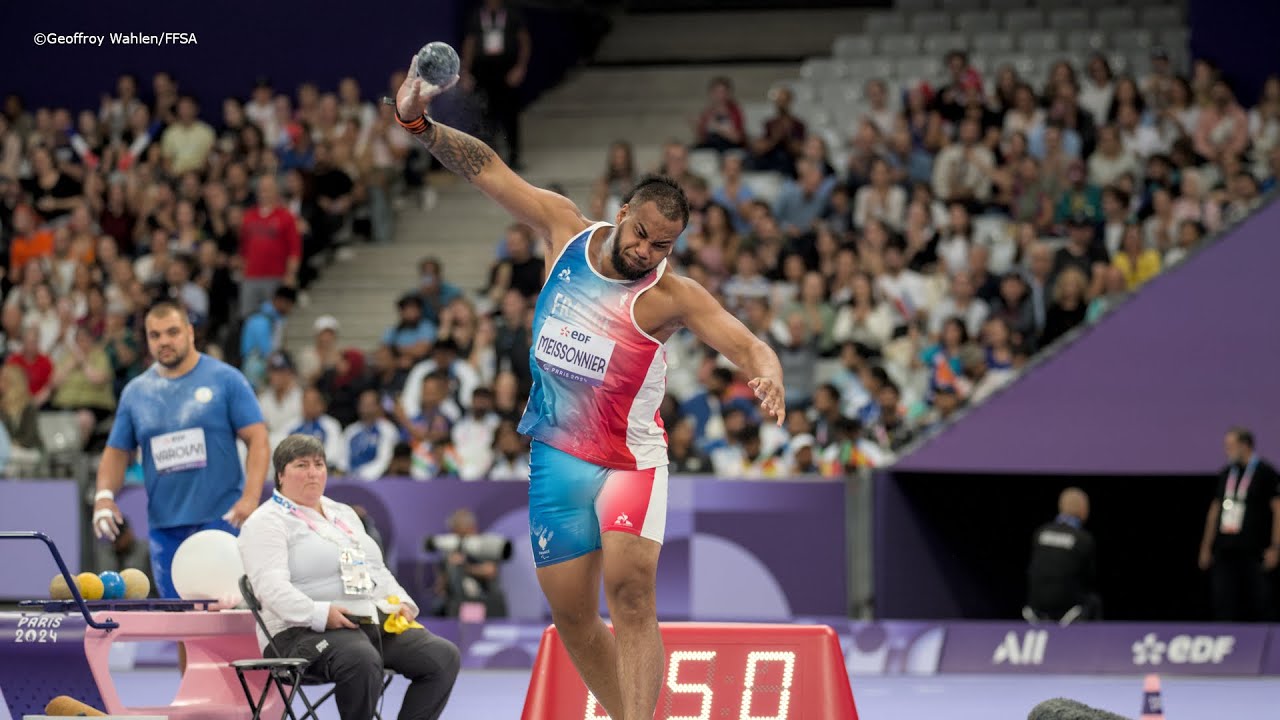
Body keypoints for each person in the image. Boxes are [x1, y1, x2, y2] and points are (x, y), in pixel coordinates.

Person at [393, 60, 787, 720]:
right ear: (622, 211)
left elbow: (747, 344)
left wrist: (767, 373)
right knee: (573, 618)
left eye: (664, 245)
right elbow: (488, 168)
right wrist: (417, 123)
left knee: (631, 595)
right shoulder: (564, 231)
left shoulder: (670, 294)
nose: (647, 253)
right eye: (642, 236)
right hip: (557, 457)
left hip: (631, 460)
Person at [238, 434, 460, 720]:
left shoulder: (341, 513)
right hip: (296, 632)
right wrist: (320, 614)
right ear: (281, 475)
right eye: (301, 465)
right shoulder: (266, 522)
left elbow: (375, 570)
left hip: (363, 622)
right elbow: (270, 588)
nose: (313, 473)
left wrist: (401, 602)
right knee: (360, 657)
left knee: (442, 657)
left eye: (319, 464)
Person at [92, 302, 270, 599]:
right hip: (165, 529)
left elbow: (258, 439)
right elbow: (116, 452)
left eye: (172, 332)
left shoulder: (226, 379)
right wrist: (103, 497)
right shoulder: (136, 392)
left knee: (226, 617)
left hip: (222, 521)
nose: (164, 341)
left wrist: (251, 498)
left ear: (189, 333)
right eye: (155, 335)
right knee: (181, 624)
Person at [1199, 427, 1280, 622]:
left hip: (1254, 550)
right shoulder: (1227, 473)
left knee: (1260, 601)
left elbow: (1278, 510)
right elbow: (1215, 510)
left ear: (1245, 445)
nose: (1227, 450)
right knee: (1223, 602)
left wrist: (1276, 546)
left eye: (1230, 445)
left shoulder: (1265, 472)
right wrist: (1206, 546)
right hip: (1225, 549)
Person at [460, 0, 531, 170]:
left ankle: (514, 157)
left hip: (507, 71)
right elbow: (469, 43)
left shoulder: (512, 14)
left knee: (510, 116)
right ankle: (489, 158)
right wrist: (465, 72)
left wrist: (520, 67)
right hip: (483, 71)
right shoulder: (477, 16)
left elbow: (524, 40)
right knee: (486, 117)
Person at [1025, 488, 1100, 622]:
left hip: (1035, 607)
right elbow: (1090, 578)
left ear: (1061, 506)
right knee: (1094, 600)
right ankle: (1093, 641)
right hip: (1069, 609)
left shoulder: (1040, 532)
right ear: (1084, 510)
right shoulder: (1084, 539)